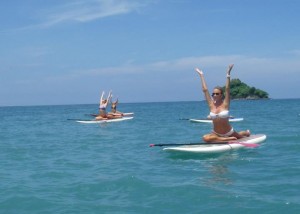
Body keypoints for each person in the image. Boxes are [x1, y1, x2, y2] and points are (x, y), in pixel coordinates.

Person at [195, 64, 250, 142]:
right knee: (205, 138)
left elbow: (227, 89)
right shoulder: (211, 104)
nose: (214, 95)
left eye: (217, 94)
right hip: (216, 133)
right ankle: (226, 139)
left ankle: (247, 132)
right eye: (213, 94)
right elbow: (205, 90)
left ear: (221, 95)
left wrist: (228, 74)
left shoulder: (225, 104)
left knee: (241, 135)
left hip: (229, 132)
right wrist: (201, 75)